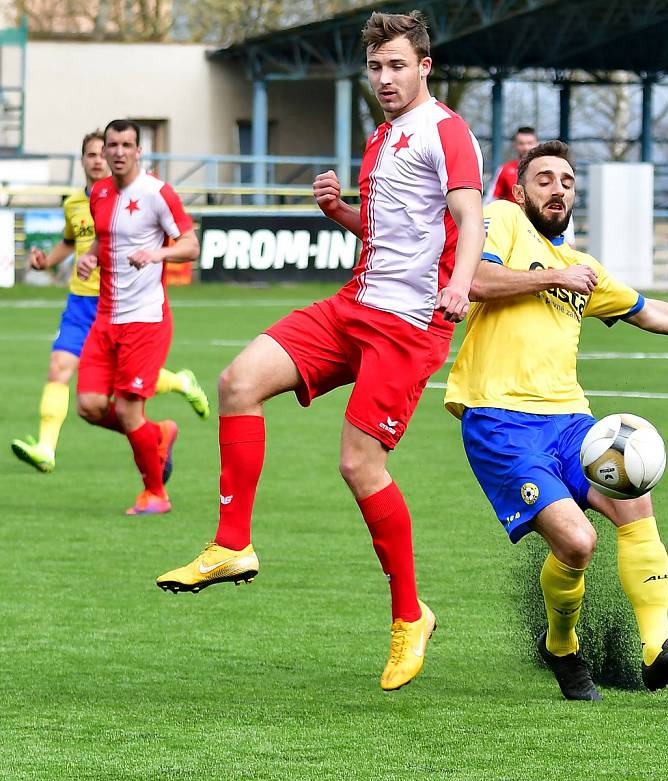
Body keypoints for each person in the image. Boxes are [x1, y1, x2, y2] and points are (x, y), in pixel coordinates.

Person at [156, 10, 485, 692]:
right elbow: (391, 227)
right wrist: (340, 213)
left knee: (358, 463)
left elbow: (468, 216)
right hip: (353, 305)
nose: (385, 79)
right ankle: (232, 544)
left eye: (397, 66)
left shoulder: (446, 131)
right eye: (376, 68)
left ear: (425, 66)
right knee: (237, 381)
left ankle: (408, 618)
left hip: (408, 326)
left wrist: (458, 283)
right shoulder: (383, 136)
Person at [445, 140, 668, 700]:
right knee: (577, 545)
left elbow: (649, 311)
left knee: (634, 500)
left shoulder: (584, 266)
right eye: (545, 179)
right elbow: (474, 281)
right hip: (501, 421)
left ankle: (657, 649)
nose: (558, 188)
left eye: (568, 181)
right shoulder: (501, 220)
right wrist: (555, 279)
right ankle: (561, 647)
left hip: (570, 419)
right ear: (520, 190)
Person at [11, 130, 209, 475]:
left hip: (119, 306)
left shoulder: (129, 198)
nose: (99, 160)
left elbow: (182, 243)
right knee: (60, 370)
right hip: (80, 302)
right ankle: (46, 447)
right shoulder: (77, 202)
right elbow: (71, 242)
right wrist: (48, 261)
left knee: (122, 385)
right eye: (92, 155)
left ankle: (178, 385)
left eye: (104, 153)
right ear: (84, 159)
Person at [75, 119, 201, 515]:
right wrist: (91, 256)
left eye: (126, 144)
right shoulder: (99, 192)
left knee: (129, 410)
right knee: (89, 405)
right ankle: (157, 434)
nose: (118, 152)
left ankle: (155, 494)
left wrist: (157, 254)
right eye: (112, 145)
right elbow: (104, 235)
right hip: (105, 318)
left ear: (138, 150)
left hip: (145, 320)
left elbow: (191, 245)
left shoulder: (157, 193)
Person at [486, 126, 576, 246]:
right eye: (521, 143)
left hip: (546, 226)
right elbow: (490, 201)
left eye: (529, 143)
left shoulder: (555, 171)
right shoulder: (505, 170)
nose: (526, 147)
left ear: (537, 143)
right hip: (516, 232)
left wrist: (570, 240)